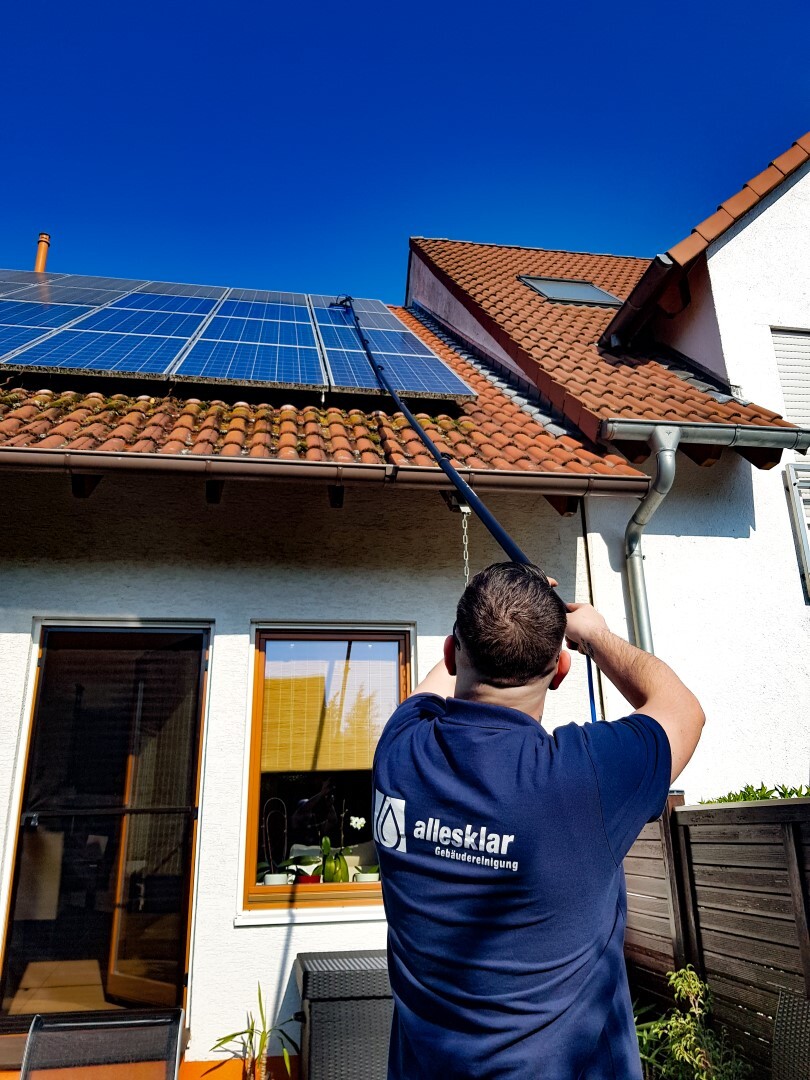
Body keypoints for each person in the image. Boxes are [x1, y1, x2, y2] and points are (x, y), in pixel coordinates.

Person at [372, 562, 704, 1080]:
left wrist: (501, 605)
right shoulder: (584, 778)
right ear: (561, 670)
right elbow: (682, 709)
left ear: (450, 652)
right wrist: (595, 635)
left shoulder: (400, 748)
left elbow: (436, 683)